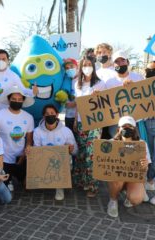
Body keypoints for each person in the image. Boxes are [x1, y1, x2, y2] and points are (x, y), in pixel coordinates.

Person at [73, 56, 106, 197]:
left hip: (95, 123)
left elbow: (104, 105)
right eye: (84, 65)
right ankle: (82, 182)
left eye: (89, 64)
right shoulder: (77, 84)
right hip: (81, 122)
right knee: (81, 153)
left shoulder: (100, 84)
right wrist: (75, 120)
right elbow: (77, 104)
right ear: (80, 67)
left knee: (91, 154)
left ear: (93, 66)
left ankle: (92, 185)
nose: (87, 67)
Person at [107, 116, 150, 218]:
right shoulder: (111, 143)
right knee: (117, 177)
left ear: (134, 129)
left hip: (133, 176)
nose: (127, 129)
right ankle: (113, 200)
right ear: (118, 129)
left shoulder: (142, 144)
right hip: (117, 176)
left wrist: (145, 165)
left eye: (130, 126)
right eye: (124, 126)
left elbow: (145, 168)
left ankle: (129, 196)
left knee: (136, 198)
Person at [0, 85, 34, 191]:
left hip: (21, 158)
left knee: (28, 186)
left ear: (23, 101)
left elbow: (29, 139)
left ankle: (18, 177)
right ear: (9, 99)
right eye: (14, 99)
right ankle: (8, 179)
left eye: (20, 99)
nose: (17, 101)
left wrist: (25, 153)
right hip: (4, 159)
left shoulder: (28, 117)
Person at [33, 104, 78, 200]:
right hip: (44, 160)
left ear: (57, 115)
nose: (50, 115)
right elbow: (36, 150)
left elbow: (75, 151)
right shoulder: (37, 131)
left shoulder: (66, 131)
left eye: (52, 113)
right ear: (43, 116)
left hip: (59, 161)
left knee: (66, 158)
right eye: (47, 114)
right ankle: (43, 180)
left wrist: (71, 149)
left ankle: (59, 186)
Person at [0, 49, 38, 115]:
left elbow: (22, 90)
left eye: (4, 59)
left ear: (8, 61)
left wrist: (33, 92)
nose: (1, 61)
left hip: (5, 114)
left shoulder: (13, 76)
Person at [105, 50, 145, 138]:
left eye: (123, 60)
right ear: (113, 65)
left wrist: (134, 88)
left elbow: (145, 97)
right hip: (116, 123)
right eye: (117, 61)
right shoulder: (109, 82)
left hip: (136, 120)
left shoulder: (138, 77)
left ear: (127, 62)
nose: (120, 63)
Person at [144, 60, 155, 192]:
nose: (151, 72)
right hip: (147, 122)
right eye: (148, 70)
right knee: (149, 153)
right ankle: (149, 179)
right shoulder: (143, 85)